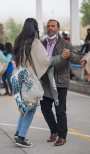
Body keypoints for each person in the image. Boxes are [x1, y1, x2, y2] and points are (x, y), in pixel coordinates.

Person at [12, 18, 69, 148]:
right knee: (31, 109)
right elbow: (46, 61)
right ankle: (21, 137)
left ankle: (17, 133)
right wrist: (61, 57)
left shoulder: (19, 41)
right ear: (35, 28)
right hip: (30, 80)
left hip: (19, 78)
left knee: (24, 107)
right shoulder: (34, 42)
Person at [41, 19, 81, 146]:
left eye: (53, 26)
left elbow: (77, 58)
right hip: (46, 82)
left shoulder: (66, 44)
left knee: (60, 111)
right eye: (48, 26)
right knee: (45, 108)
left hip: (60, 82)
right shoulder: (42, 44)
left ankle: (62, 136)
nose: (50, 28)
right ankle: (54, 131)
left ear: (58, 29)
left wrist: (69, 55)